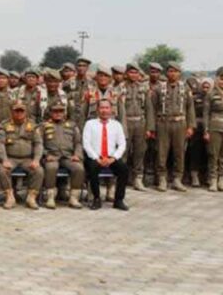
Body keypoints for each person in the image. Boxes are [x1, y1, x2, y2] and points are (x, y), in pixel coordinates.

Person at [152, 62, 196, 192]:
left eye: (175, 71)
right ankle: (162, 179)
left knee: (179, 153)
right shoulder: (159, 88)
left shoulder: (185, 88)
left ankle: (177, 179)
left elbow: (190, 108)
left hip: (180, 123)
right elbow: (152, 108)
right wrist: (152, 127)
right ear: (167, 73)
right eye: (170, 71)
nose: (173, 73)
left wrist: (190, 126)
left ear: (179, 73)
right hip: (163, 123)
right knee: (161, 152)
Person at [83, 99, 129, 210]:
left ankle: (118, 200)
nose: (104, 110)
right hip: (95, 156)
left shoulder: (116, 125)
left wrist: (114, 158)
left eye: (107, 108)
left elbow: (122, 144)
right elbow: (86, 143)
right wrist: (96, 158)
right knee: (92, 168)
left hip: (111, 157)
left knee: (124, 169)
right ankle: (96, 199)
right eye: (102, 108)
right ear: (97, 109)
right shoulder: (90, 124)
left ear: (111, 110)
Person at [0, 100, 43, 210]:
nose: (19, 113)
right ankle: (9, 197)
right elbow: (0, 144)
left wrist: (36, 159)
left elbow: (38, 144)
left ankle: (31, 197)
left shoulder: (33, 126)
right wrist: (4, 159)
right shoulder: (4, 125)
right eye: (16, 111)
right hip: (10, 158)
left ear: (25, 112)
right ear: (12, 112)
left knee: (39, 170)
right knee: (2, 170)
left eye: (21, 111)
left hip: (27, 158)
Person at [40, 102, 84, 209]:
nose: (58, 113)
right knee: (51, 167)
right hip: (51, 156)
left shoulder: (72, 126)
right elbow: (38, 144)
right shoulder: (43, 126)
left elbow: (78, 142)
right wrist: (46, 155)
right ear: (50, 113)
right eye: (55, 111)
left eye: (61, 111)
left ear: (64, 112)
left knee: (78, 168)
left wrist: (77, 155)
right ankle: (50, 197)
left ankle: (74, 198)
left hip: (68, 156)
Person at [121, 63, 155, 191]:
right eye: (131, 72)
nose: (133, 75)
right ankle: (122, 178)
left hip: (140, 123)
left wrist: (149, 128)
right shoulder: (120, 88)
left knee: (140, 152)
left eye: (136, 73)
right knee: (123, 152)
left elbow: (149, 108)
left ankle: (137, 179)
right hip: (125, 123)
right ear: (126, 73)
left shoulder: (144, 88)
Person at [202, 68, 223, 192]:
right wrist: (206, 130)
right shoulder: (211, 94)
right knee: (213, 155)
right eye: (221, 78)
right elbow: (206, 113)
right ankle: (213, 180)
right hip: (214, 126)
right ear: (217, 79)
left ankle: (221, 179)